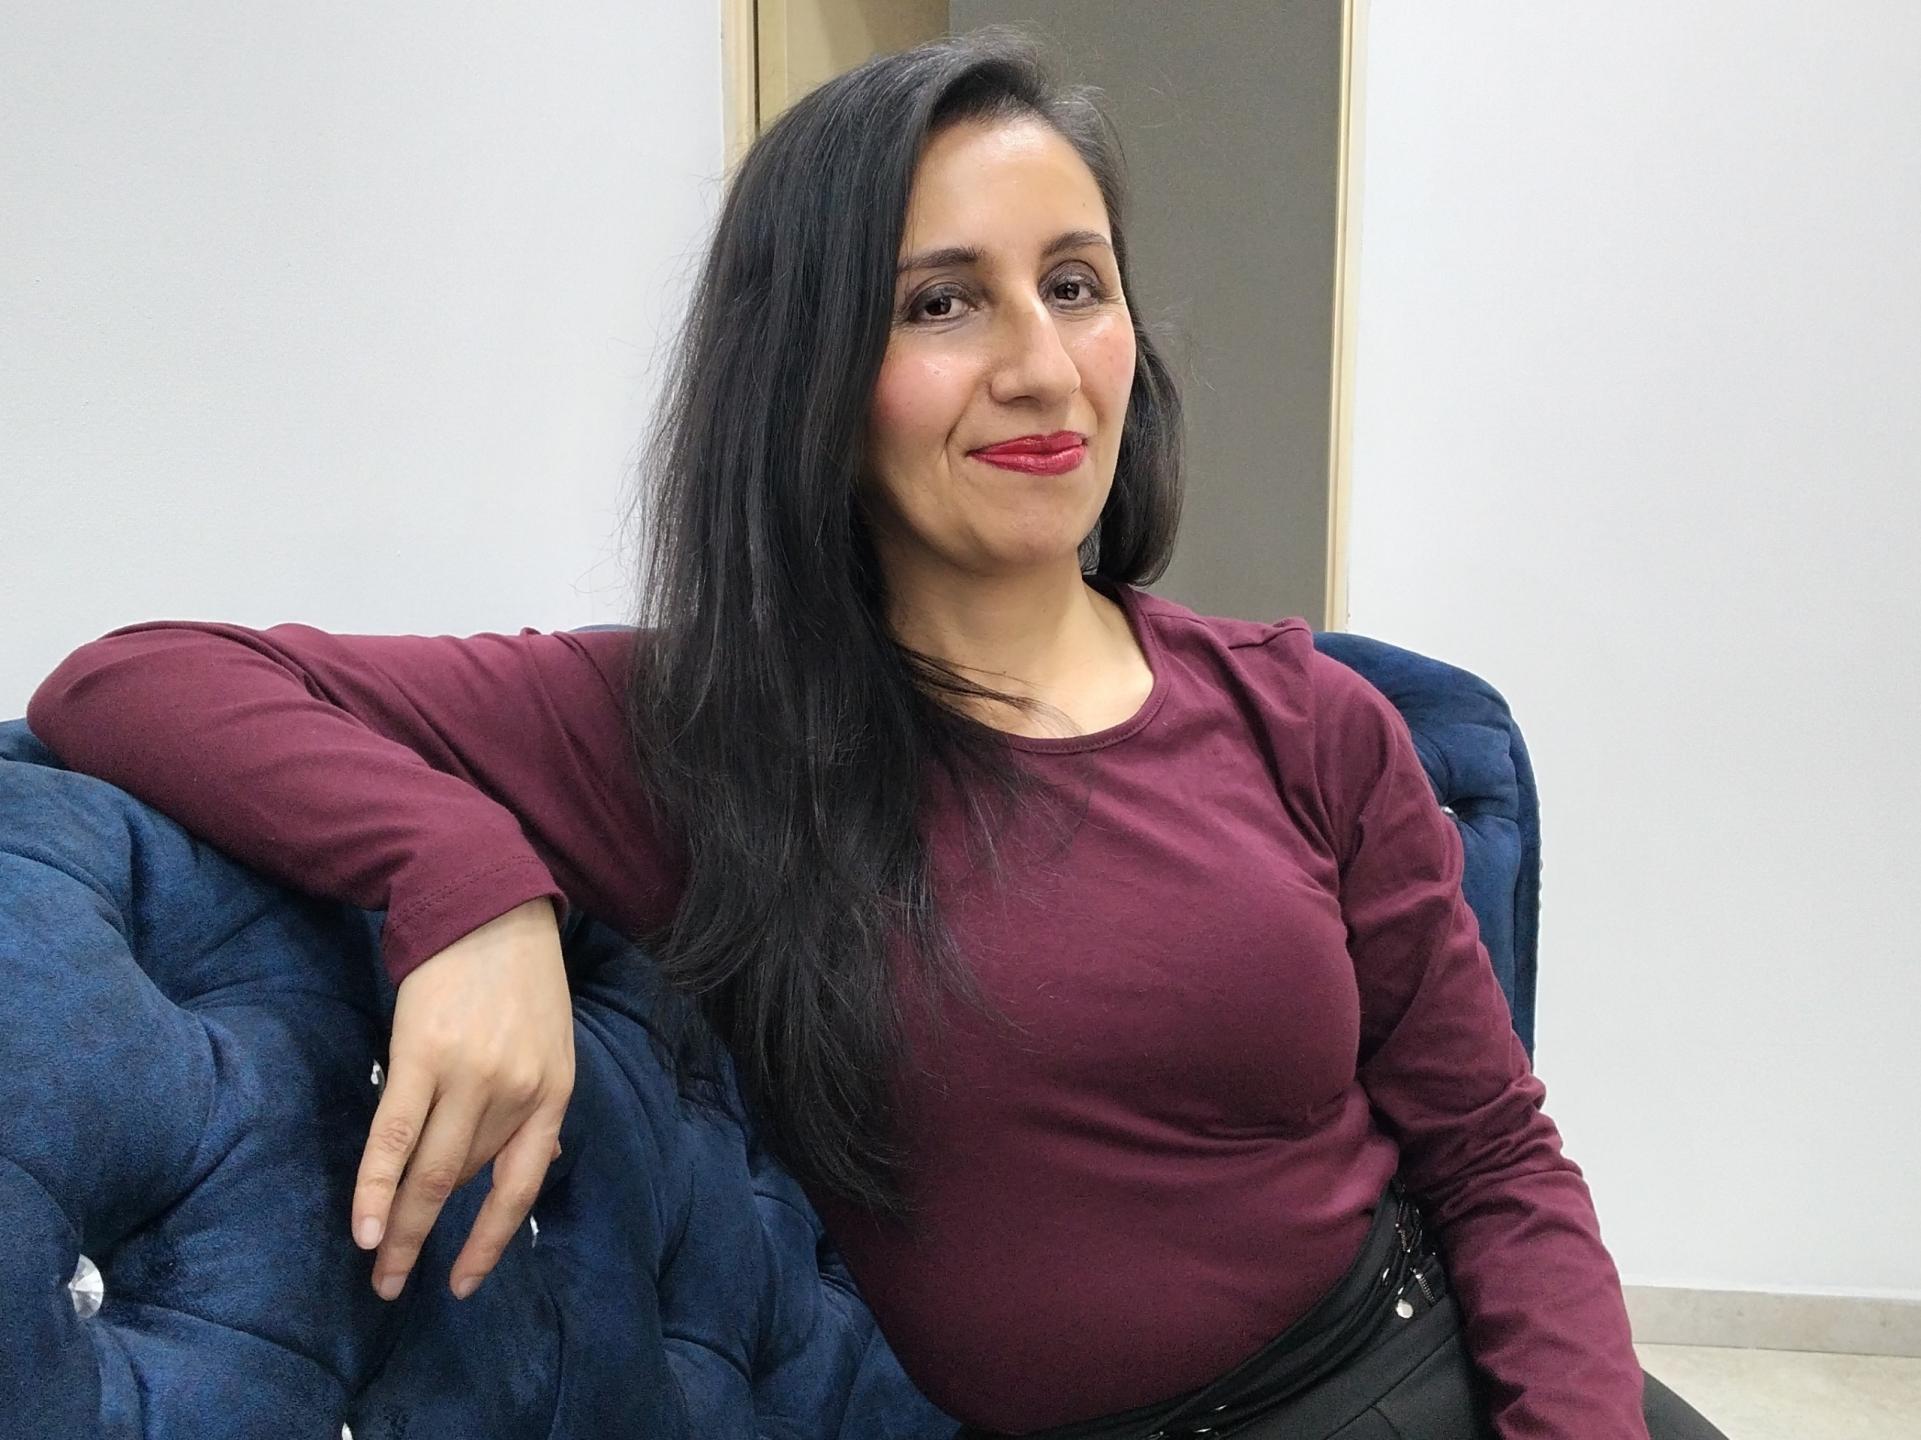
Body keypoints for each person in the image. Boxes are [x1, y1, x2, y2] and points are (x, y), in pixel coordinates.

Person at [26, 26, 1727, 1440]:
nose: (1041, 365)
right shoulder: (705, 729)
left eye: (1075, 284)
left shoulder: (1308, 722)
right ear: (814, 378)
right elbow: (135, 676)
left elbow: (1492, 1154)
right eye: (940, 304)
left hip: (1433, 1365)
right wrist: (465, 876)